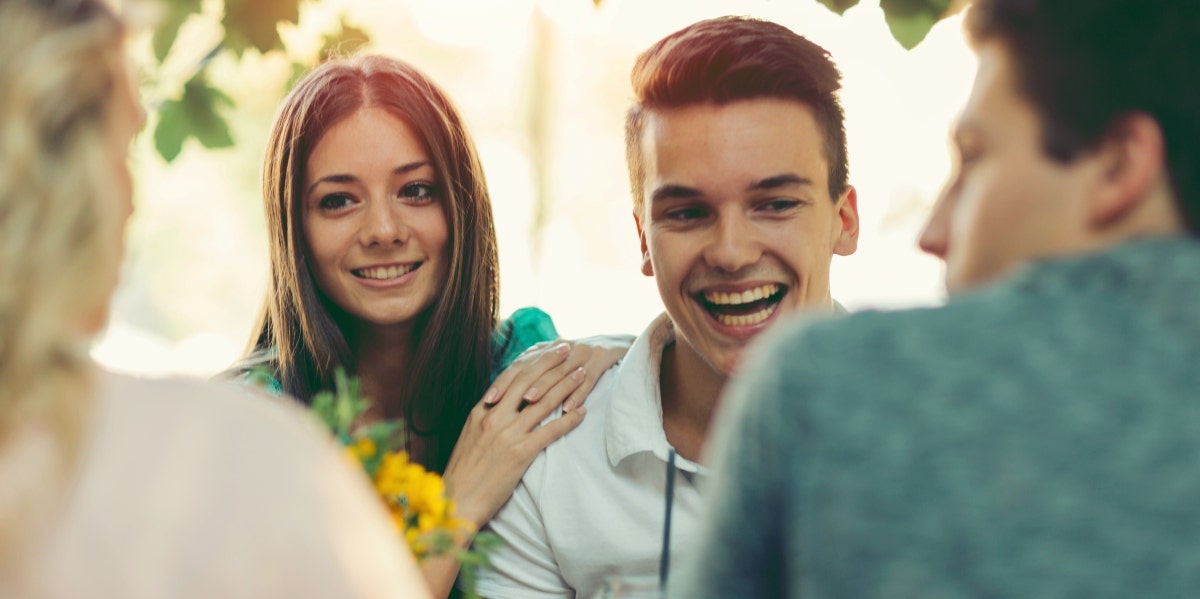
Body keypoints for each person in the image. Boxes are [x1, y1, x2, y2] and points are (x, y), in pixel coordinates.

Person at [672, 0, 1200, 596]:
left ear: (1117, 164)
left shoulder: (829, 388)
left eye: (974, 157)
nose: (933, 233)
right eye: (687, 212)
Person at [0, 1, 430, 597]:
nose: (383, 230)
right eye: (125, 148)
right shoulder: (221, 453)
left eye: (416, 189)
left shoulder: (533, 369)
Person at [474, 16, 860, 598]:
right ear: (643, 239)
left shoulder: (946, 434)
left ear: (843, 220)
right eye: (686, 213)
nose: (731, 253)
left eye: (775, 204)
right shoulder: (551, 458)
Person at [234, 54, 630, 597]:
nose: (384, 229)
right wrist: (459, 503)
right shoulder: (251, 424)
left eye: (415, 190)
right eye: (339, 201)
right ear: (294, 230)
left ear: (460, 205)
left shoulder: (518, 362)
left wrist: (617, 353)